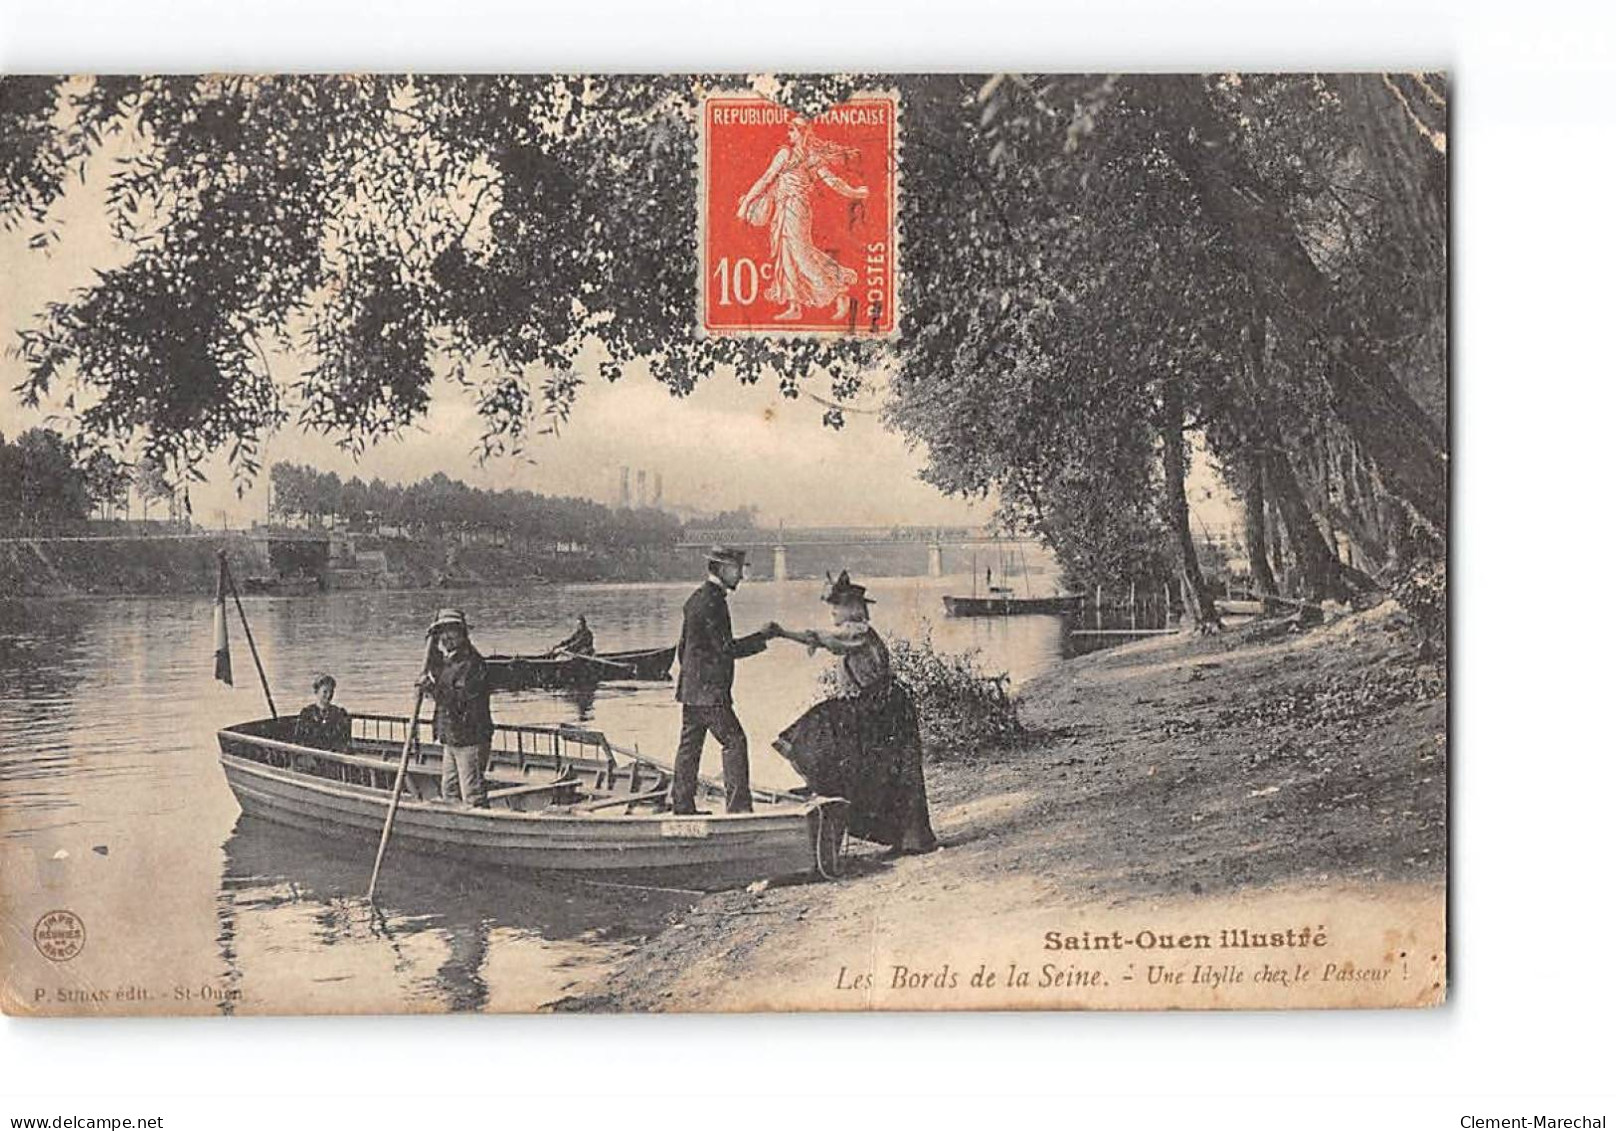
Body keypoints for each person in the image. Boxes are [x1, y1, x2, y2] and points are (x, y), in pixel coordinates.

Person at [768, 571, 938, 855]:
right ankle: (902, 836)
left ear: (851, 609)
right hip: (882, 708)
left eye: (837, 605)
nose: (832, 611)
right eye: (832, 605)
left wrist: (782, 632)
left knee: (880, 767)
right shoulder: (858, 632)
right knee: (883, 773)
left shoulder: (856, 632)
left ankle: (824, 783)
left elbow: (826, 639)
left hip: (881, 709)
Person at [735, 116, 870, 323]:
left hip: (797, 210)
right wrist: (746, 203)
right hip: (783, 209)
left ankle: (838, 293)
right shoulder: (785, 154)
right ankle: (794, 305)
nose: (789, 135)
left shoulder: (809, 156)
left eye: (792, 131)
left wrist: (854, 192)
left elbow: (831, 181)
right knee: (786, 255)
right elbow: (766, 179)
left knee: (801, 255)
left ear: (801, 133)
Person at [670, 546, 772, 814]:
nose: (741, 576)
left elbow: (683, 650)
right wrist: (763, 637)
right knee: (734, 741)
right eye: (738, 570)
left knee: (689, 747)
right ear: (724, 569)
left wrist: (693, 681)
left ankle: (682, 807)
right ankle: (738, 810)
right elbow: (726, 649)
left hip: (691, 691)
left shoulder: (695, 599)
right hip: (711, 694)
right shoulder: (714, 602)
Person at [416, 608, 492, 808]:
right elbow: (436, 667)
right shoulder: (450, 660)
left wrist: (431, 689)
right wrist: (430, 643)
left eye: (452, 631)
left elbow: (458, 701)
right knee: (449, 791)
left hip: (470, 739)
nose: (446, 637)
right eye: (442, 632)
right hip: (451, 737)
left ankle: (479, 831)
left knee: (472, 795)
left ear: (463, 633)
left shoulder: (472, 664)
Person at [292, 673, 351, 772]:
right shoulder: (307, 713)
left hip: (333, 758)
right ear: (316, 692)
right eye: (325, 692)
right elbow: (299, 739)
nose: (328, 695)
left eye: (331, 692)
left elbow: (343, 739)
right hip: (311, 757)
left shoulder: (339, 713)